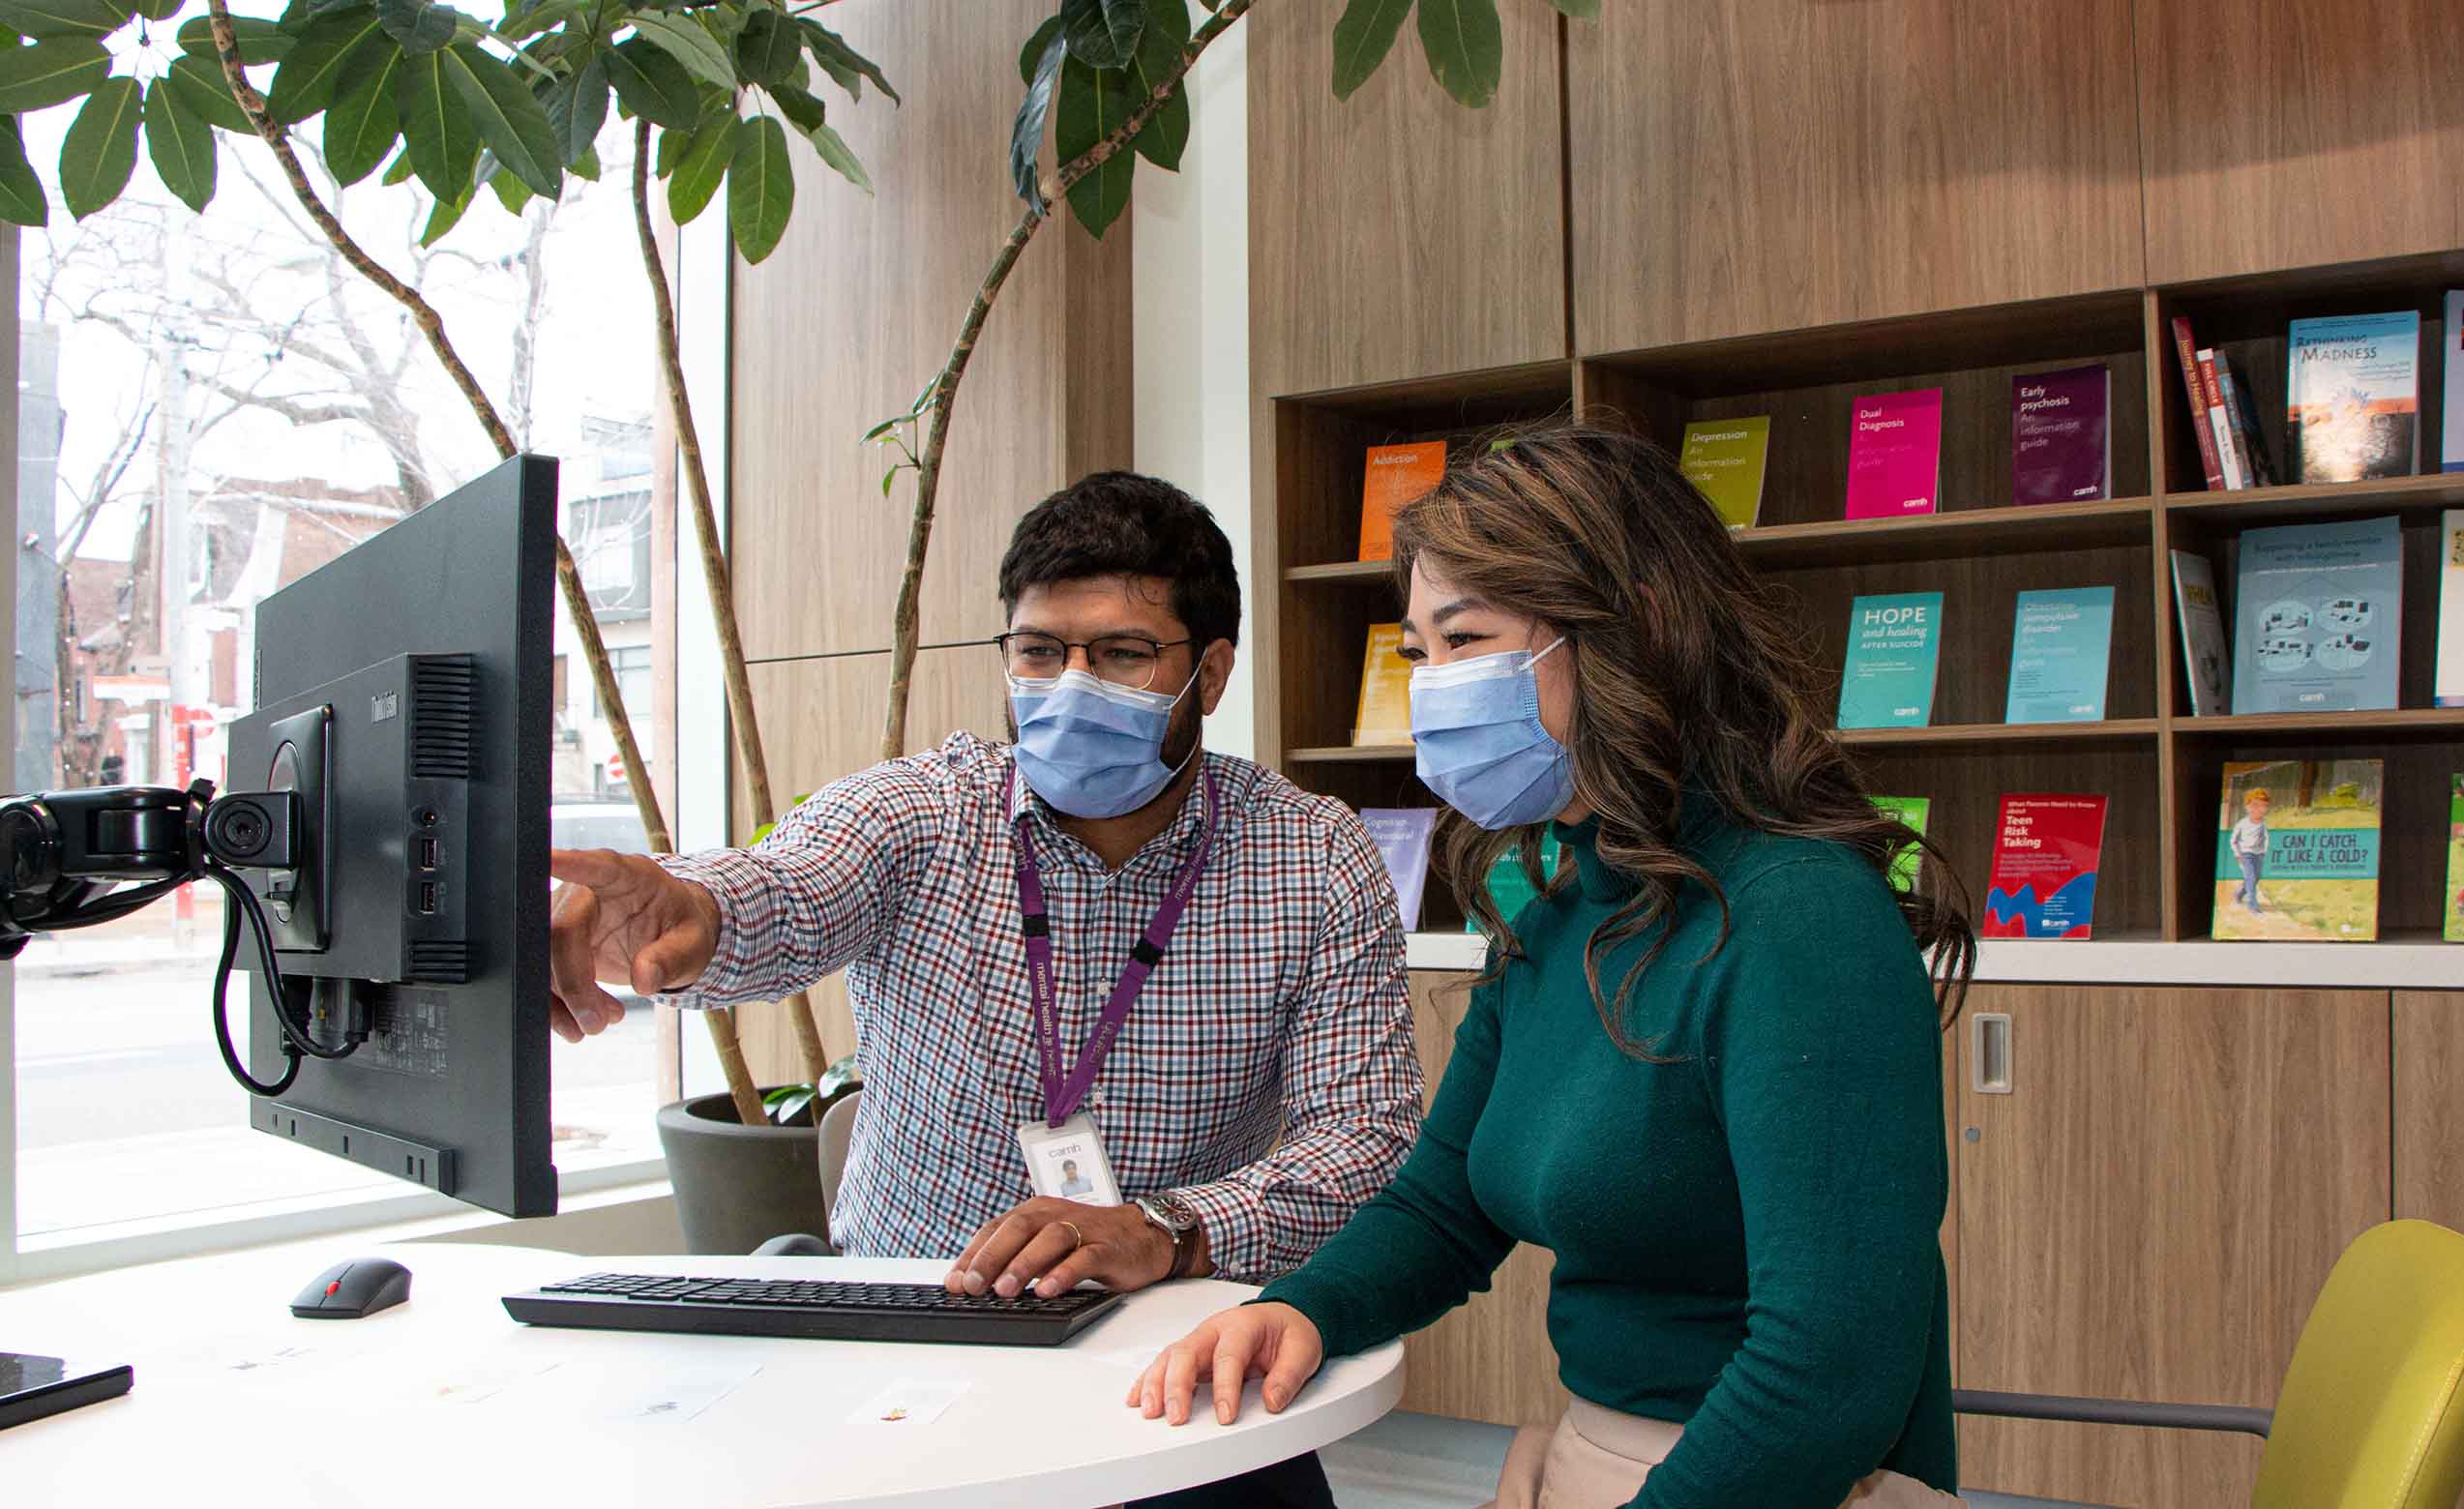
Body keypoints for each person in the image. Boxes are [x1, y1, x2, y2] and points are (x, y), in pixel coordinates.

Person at [1126, 428, 1976, 1507]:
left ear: (1624, 635)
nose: (1432, 690)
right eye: (1418, 654)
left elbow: (1829, 1372)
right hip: (1595, 1455)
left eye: (1465, 639)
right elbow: (1444, 1205)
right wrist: (1302, 1308)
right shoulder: (1559, 899)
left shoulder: (1800, 917)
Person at [547, 472, 1424, 1509]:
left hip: (1177, 1337)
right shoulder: (923, 812)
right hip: (911, 1339)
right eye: (1040, 653)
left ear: (1212, 673)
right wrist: (694, 916)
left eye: (1123, 655)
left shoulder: (1311, 854)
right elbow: (785, 888)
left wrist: (1168, 1229)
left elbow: (1364, 1140)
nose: (1070, 685)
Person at [2231, 786, 2271, 913]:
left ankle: (2239, 893)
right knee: (2251, 878)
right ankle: (2253, 906)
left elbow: (2266, 838)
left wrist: (2264, 851)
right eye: (2255, 805)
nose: (2258, 809)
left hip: (2258, 854)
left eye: (2263, 806)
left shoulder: (2263, 824)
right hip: (2245, 854)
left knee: (2256, 877)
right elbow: (2233, 840)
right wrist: (2237, 853)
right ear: (2247, 807)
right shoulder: (2242, 823)